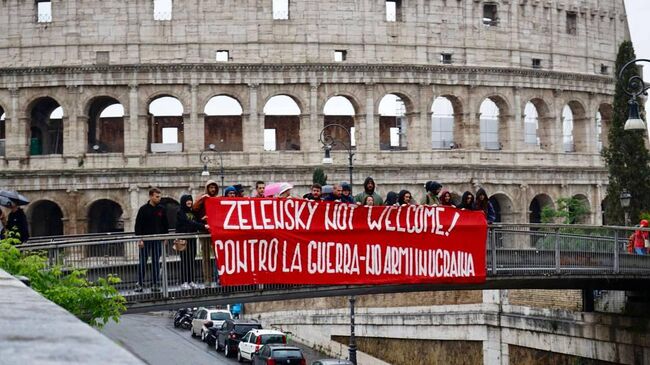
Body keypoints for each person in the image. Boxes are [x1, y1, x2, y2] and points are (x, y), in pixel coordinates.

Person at [134, 187, 169, 292]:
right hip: (145, 240)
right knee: (143, 262)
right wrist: (140, 239)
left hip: (158, 240)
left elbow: (165, 225)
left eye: (159, 196)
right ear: (151, 196)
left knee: (155, 262)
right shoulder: (143, 209)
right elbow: (138, 226)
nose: (159, 198)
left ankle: (154, 283)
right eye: (157, 196)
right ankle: (139, 283)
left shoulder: (161, 209)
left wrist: (165, 237)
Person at [176, 194, 209, 290]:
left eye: (190, 200)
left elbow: (196, 221)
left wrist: (202, 220)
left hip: (192, 239)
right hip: (183, 239)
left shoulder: (192, 212)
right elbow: (188, 222)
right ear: (183, 202)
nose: (189, 202)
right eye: (187, 200)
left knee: (191, 260)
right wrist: (202, 226)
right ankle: (183, 281)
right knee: (184, 261)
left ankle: (191, 281)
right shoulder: (180, 212)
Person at [193, 180, 219, 287]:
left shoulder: (217, 200)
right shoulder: (202, 199)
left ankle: (218, 278)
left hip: (215, 232)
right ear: (207, 188)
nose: (212, 189)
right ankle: (207, 280)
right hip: (204, 232)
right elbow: (194, 208)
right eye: (210, 187)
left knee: (219, 257)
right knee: (206, 257)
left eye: (214, 187)